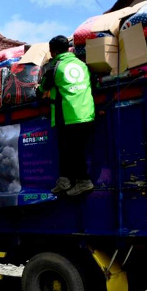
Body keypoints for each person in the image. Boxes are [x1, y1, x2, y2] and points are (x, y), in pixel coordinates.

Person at [38, 35, 95, 197]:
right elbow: (95, 84)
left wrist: (38, 91)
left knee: (70, 151)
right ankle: (65, 180)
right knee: (72, 150)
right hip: (87, 113)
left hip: (68, 116)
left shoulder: (55, 66)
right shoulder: (82, 64)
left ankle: (83, 181)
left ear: (54, 50)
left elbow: (43, 87)